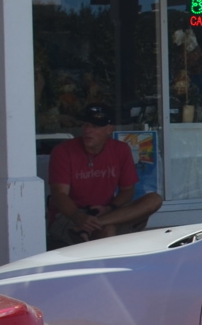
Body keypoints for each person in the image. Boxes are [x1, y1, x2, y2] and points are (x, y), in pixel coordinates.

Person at [47, 105, 165, 247]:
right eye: (86, 125)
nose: (87, 130)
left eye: (95, 126)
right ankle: (88, 233)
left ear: (109, 130)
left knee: (154, 199)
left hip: (106, 212)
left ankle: (85, 230)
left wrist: (110, 208)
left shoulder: (120, 149)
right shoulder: (63, 151)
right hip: (71, 214)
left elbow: (128, 190)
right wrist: (78, 217)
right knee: (107, 231)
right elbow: (59, 194)